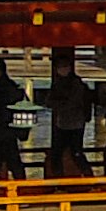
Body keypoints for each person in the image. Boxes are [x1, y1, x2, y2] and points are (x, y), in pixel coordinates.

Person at [42, 52, 92, 180]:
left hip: (75, 123)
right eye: (60, 67)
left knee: (76, 153)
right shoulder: (57, 83)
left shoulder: (76, 83)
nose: (62, 69)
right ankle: (60, 182)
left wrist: (59, 103)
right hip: (62, 123)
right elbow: (48, 101)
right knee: (56, 155)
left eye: (65, 66)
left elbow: (73, 102)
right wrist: (60, 103)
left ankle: (90, 179)